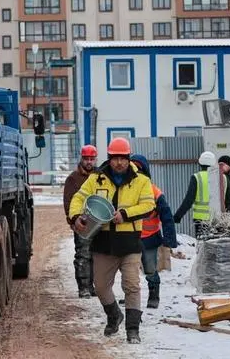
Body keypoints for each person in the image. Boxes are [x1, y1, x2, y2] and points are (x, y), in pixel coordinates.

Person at [68, 137, 155, 344]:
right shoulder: (97, 178)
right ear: (109, 158)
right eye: (115, 158)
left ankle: (132, 329)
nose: (119, 163)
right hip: (103, 242)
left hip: (130, 243)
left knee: (132, 285)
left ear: (128, 158)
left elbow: (149, 205)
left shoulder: (141, 180)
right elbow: (79, 198)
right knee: (100, 287)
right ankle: (114, 315)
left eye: (122, 158)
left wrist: (125, 214)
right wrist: (75, 217)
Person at [130, 154, 178, 310]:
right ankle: (131, 296)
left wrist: (169, 239)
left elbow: (167, 217)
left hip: (149, 239)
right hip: (130, 237)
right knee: (129, 271)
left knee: (150, 269)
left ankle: (153, 294)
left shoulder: (154, 192)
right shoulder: (126, 190)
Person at [64, 144, 99, 298]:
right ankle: (84, 287)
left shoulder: (101, 176)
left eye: (92, 159)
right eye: (86, 159)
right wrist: (73, 219)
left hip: (99, 221)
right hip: (83, 222)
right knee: (83, 255)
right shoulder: (73, 179)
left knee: (98, 255)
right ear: (82, 159)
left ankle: (93, 286)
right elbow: (69, 201)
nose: (89, 162)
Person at [173, 150, 215, 238]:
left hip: (201, 220)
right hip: (218, 219)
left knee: (202, 246)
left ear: (200, 163)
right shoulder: (222, 177)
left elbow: (189, 200)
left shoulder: (197, 177)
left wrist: (178, 216)